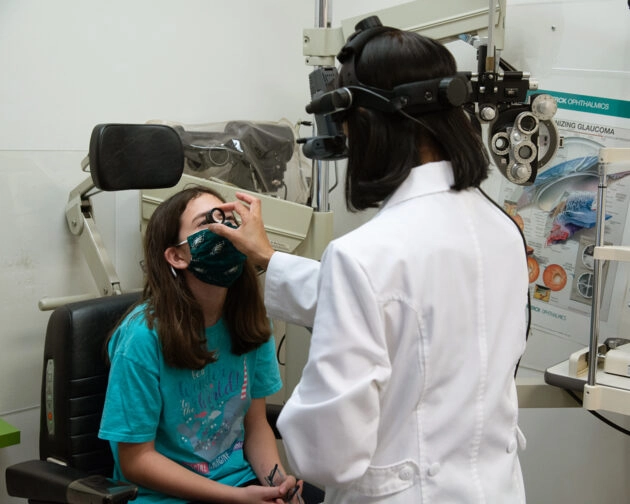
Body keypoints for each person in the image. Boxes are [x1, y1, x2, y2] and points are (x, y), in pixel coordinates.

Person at [209, 19, 529, 504]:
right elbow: (408, 311)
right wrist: (268, 258)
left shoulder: (365, 256)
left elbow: (326, 455)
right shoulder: (502, 229)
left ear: (366, 123)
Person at [98, 186, 303, 504]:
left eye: (227, 218)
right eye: (208, 222)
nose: (225, 229)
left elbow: (255, 421)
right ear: (177, 255)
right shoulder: (141, 338)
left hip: (240, 483)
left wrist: (278, 485)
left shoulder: (249, 319)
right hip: (165, 497)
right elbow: (135, 461)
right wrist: (234, 498)